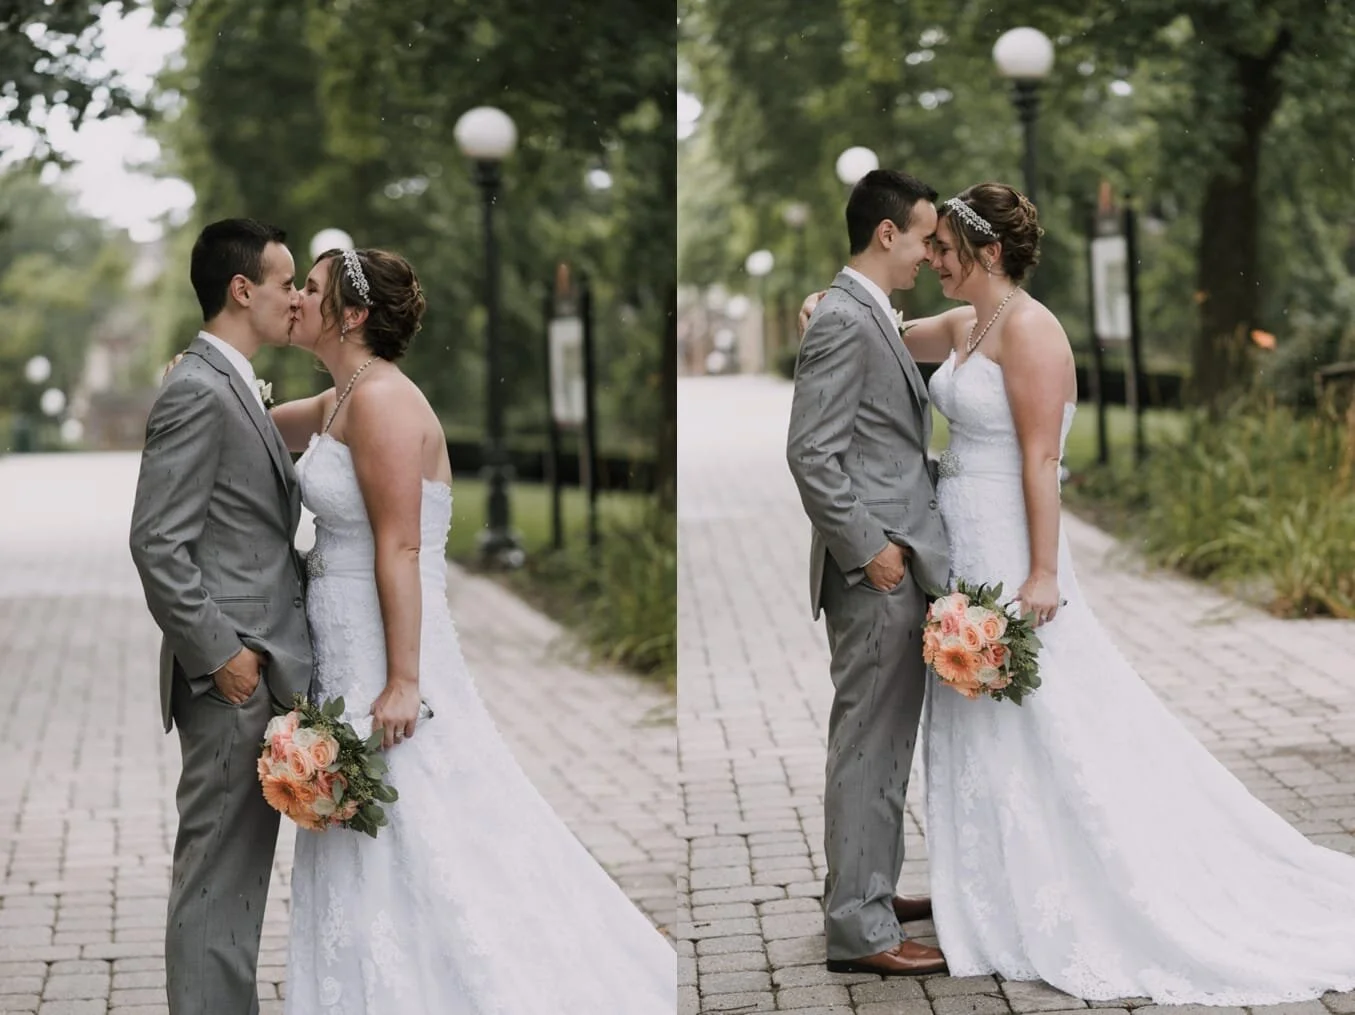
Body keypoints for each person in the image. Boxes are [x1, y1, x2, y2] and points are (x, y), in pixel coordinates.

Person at [798, 182, 1355, 1002]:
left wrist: (1045, 572)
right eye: (929, 244)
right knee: (971, 721)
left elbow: (1040, 461)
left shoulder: (1032, 330)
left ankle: (1070, 875)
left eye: (947, 247)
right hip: (949, 550)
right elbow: (882, 331)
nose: (935, 258)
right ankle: (964, 882)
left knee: (1041, 716)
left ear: (987, 252)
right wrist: (823, 296)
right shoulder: (962, 322)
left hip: (1009, 542)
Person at [271, 245, 676, 1013]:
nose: (296, 298)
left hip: (387, 650)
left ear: (352, 315)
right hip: (345, 647)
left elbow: (400, 544)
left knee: (420, 822)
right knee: (377, 831)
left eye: (311, 288)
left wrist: (403, 679)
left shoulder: (385, 399)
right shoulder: (339, 397)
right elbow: (255, 426)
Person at [129, 217, 311, 1015]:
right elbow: (155, 541)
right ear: (243, 289)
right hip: (231, 683)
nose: (296, 296)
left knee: (233, 890)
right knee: (214, 887)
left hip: (254, 677)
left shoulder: (227, 379)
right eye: (286, 282)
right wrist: (222, 657)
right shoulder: (199, 389)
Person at [785, 169, 950, 976]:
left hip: (889, 564)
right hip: (873, 573)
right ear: (887, 234)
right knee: (868, 747)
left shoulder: (858, 311)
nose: (928, 253)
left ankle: (866, 890)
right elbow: (808, 451)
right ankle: (859, 927)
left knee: (881, 747)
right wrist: (869, 550)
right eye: (922, 237)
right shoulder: (846, 318)